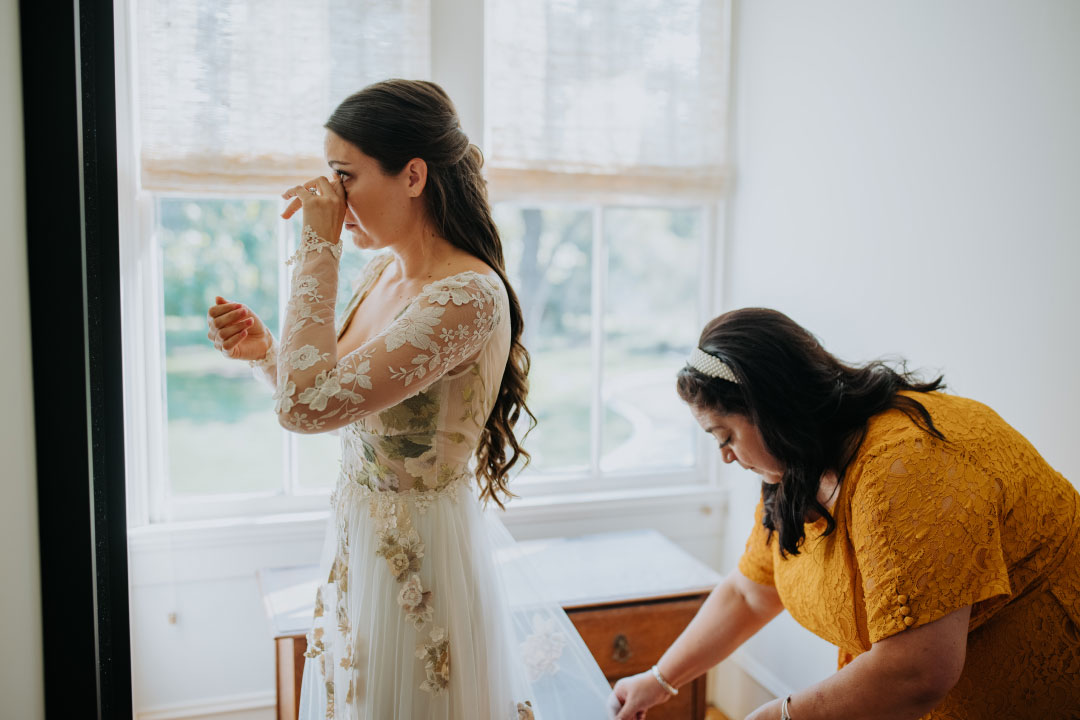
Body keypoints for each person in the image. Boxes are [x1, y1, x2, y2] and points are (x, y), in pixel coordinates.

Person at [206, 80, 615, 720]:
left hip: (422, 568)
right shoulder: (385, 272)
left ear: (414, 176)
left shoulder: (467, 296)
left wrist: (318, 246)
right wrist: (266, 351)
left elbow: (303, 408)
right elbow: (335, 391)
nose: (331, 199)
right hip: (360, 551)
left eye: (344, 177)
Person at [611, 308, 1080, 720]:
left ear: (770, 408)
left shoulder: (904, 467)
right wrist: (659, 679)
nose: (726, 456)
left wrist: (781, 716)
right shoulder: (794, 467)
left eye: (725, 436)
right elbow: (750, 593)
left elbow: (918, 671)